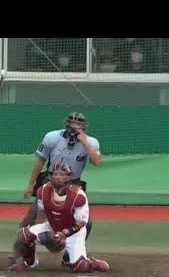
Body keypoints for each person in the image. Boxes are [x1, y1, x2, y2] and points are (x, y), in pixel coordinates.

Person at [10, 112, 102, 267]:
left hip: (74, 183)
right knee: (31, 218)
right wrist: (32, 184)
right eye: (72, 124)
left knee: (85, 222)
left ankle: (71, 253)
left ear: (84, 127)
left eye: (78, 125)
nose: (74, 127)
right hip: (50, 180)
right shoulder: (52, 137)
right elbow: (40, 161)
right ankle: (20, 256)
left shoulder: (92, 142)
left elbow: (97, 161)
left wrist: (85, 142)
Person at [10, 162, 109, 273]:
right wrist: (42, 236)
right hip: (53, 227)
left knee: (80, 267)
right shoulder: (43, 191)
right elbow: (41, 213)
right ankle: (29, 262)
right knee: (25, 234)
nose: (58, 177)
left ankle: (92, 263)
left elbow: (81, 223)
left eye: (62, 174)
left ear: (69, 177)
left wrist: (64, 234)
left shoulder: (78, 195)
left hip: (74, 232)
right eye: (56, 174)